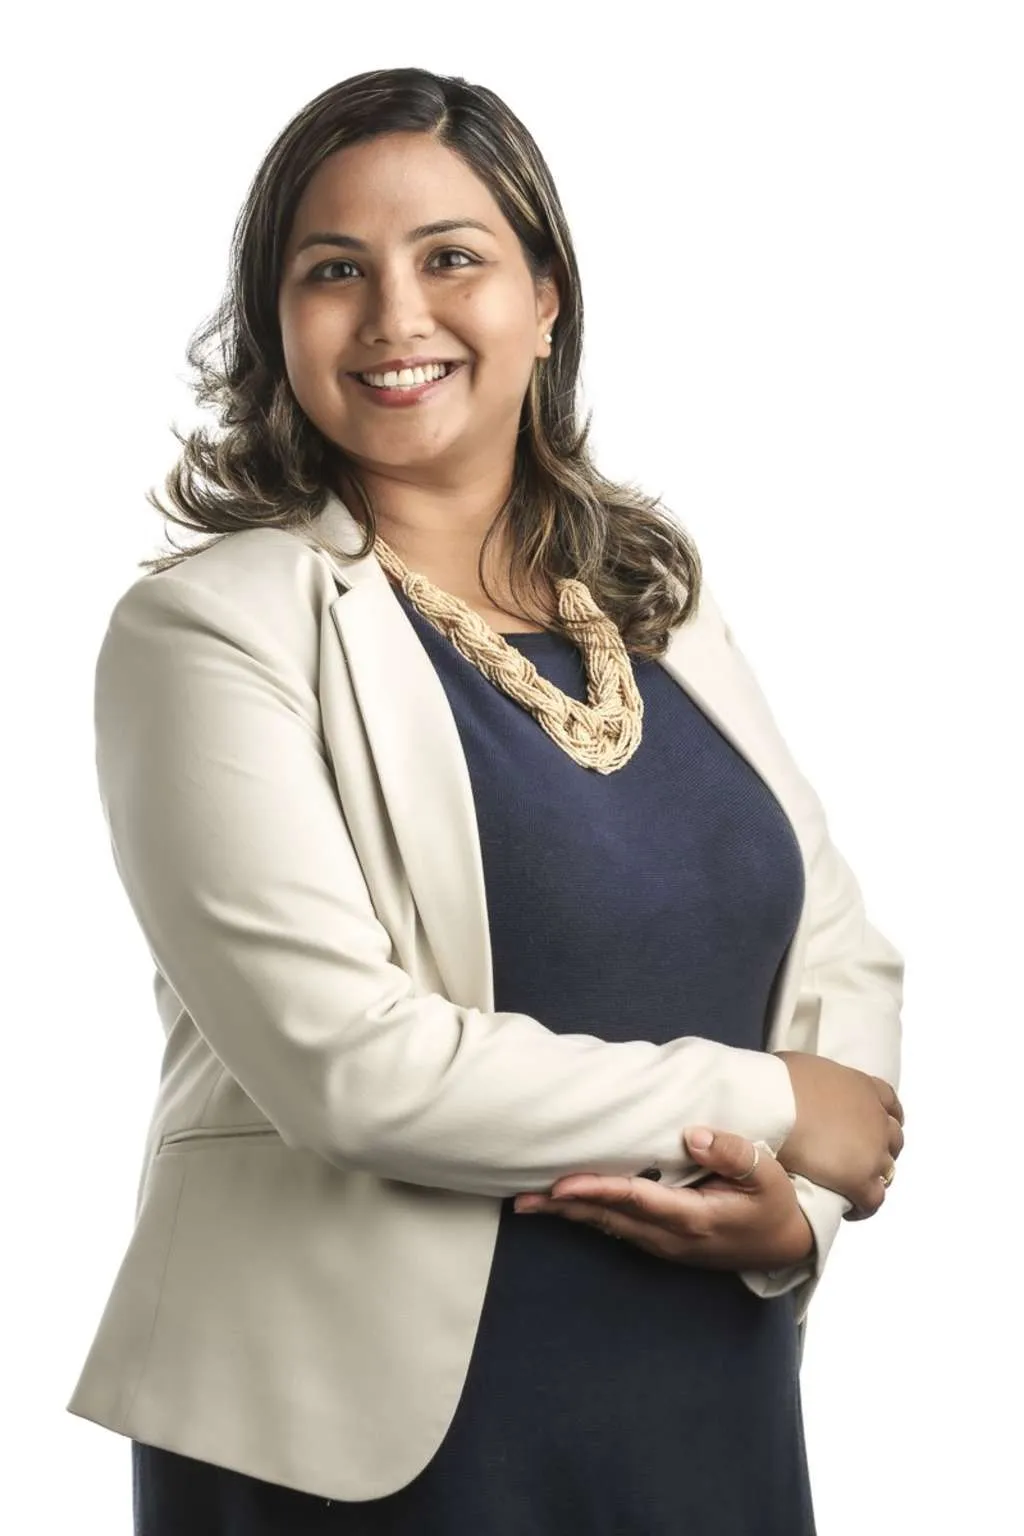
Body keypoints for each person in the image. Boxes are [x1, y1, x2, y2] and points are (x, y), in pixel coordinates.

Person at [66, 66, 904, 1535]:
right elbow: (354, 1071)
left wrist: (797, 1213)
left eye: (452, 256)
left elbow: (828, 938)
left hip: (702, 1392)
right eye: (335, 272)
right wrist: (769, 1104)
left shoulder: (654, 600)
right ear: (277, 324)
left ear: (546, 299)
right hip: (361, 1444)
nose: (396, 318)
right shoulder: (211, 631)